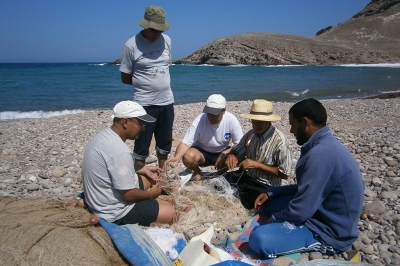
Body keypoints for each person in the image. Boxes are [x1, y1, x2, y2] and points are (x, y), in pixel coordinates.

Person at [248, 98, 364, 258]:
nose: (291, 130)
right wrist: (272, 192)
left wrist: (274, 220)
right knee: (270, 203)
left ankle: (319, 244)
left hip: (328, 230)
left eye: (293, 125)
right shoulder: (322, 145)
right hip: (319, 209)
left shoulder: (321, 154)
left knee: (258, 239)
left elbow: (302, 208)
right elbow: (306, 187)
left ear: (305, 122)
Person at [82, 101, 176, 226]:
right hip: (114, 211)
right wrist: (150, 195)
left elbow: (114, 168)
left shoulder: (104, 136)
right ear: (125, 122)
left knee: (151, 177)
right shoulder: (119, 150)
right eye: (141, 124)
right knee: (173, 213)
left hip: (98, 199)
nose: (143, 129)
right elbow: (128, 195)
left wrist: (143, 169)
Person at [119, 5, 174, 171]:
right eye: (153, 30)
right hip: (144, 104)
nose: (156, 34)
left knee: (164, 143)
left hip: (167, 101)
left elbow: (165, 67)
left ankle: (163, 179)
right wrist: (146, 86)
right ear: (144, 26)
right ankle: (140, 179)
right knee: (142, 145)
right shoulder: (131, 45)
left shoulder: (167, 41)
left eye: (160, 31)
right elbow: (125, 77)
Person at [224, 99, 292, 209]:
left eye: (259, 122)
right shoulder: (251, 134)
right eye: (253, 121)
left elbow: (284, 174)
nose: (255, 125)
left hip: (266, 184)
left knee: (247, 200)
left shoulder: (280, 141)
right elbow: (237, 151)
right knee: (220, 182)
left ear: (269, 121)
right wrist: (232, 155)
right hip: (247, 176)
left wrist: (257, 165)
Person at [167, 94, 243, 181]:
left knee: (242, 156)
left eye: (214, 114)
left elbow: (239, 143)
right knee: (188, 157)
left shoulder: (231, 120)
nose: (210, 116)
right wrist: (176, 158)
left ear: (223, 110)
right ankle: (197, 172)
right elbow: (186, 142)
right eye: (208, 112)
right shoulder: (199, 120)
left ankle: (221, 173)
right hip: (202, 153)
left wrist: (225, 153)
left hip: (222, 152)